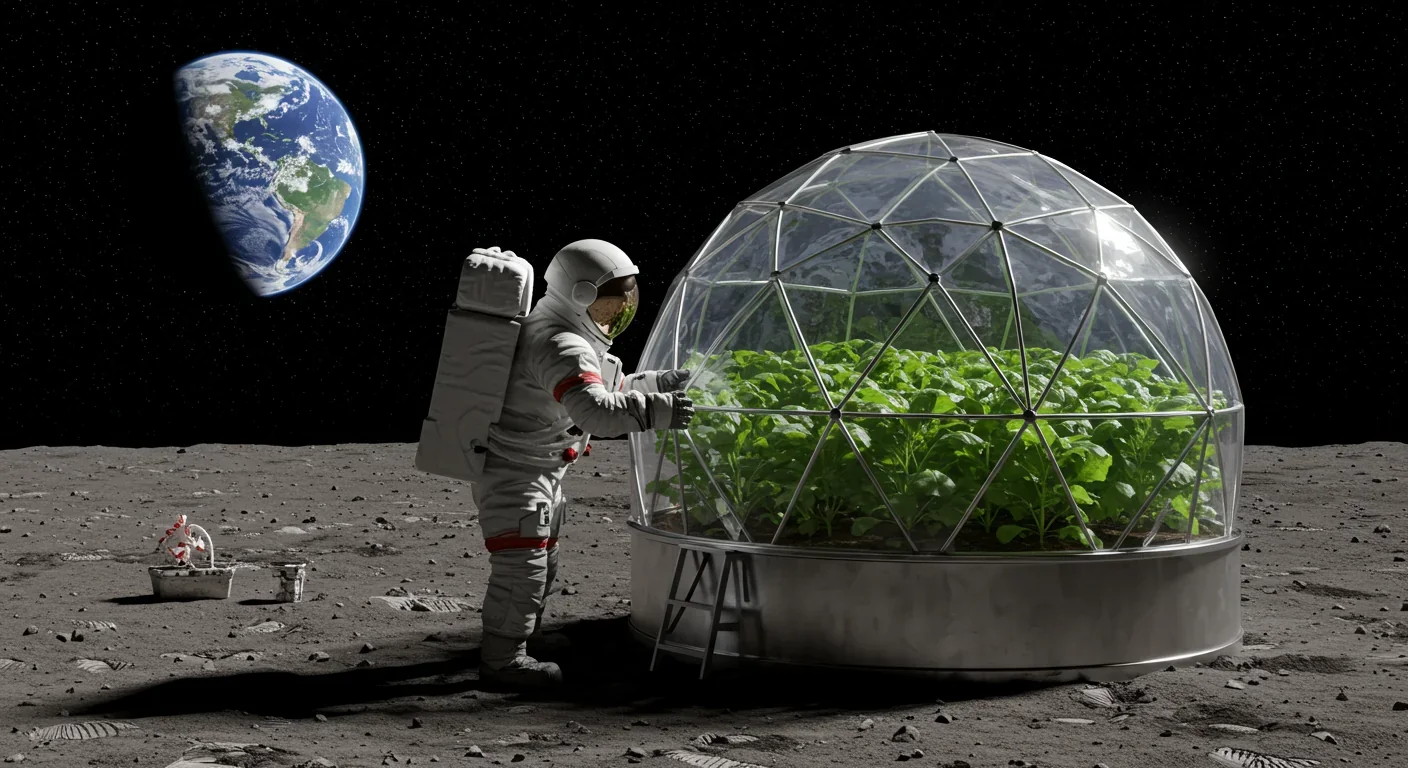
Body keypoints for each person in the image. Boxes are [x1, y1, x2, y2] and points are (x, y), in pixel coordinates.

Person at [470, 239, 694, 690]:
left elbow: (602, 387)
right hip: (518, 473)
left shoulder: (558, 331)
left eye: (627, 302)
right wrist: (659, 410)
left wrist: (658, 383)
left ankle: (522, 639)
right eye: (614, 304)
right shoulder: (560, 343)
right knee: (523, 566)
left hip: (536, 467)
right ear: (582, 296)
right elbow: (595, 412)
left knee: (542, 559)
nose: (620, 313)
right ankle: (502, 661)